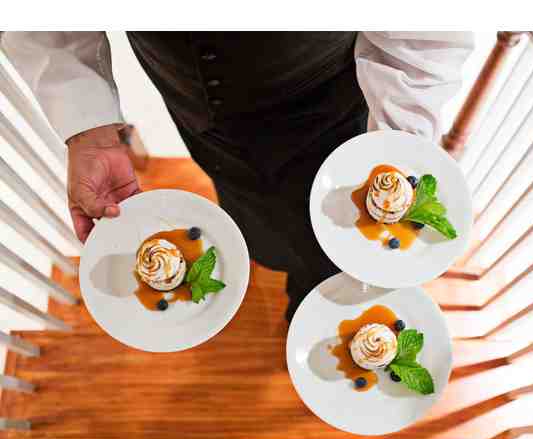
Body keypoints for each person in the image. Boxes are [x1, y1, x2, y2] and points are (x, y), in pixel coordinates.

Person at [2, 31, 474, 321]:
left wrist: (395, 145)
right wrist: (89, 129)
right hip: (197, 105)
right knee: (251, 212)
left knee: (335, 240)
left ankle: (319, 300)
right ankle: (274, 256)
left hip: (321, 100)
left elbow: (422, 27)